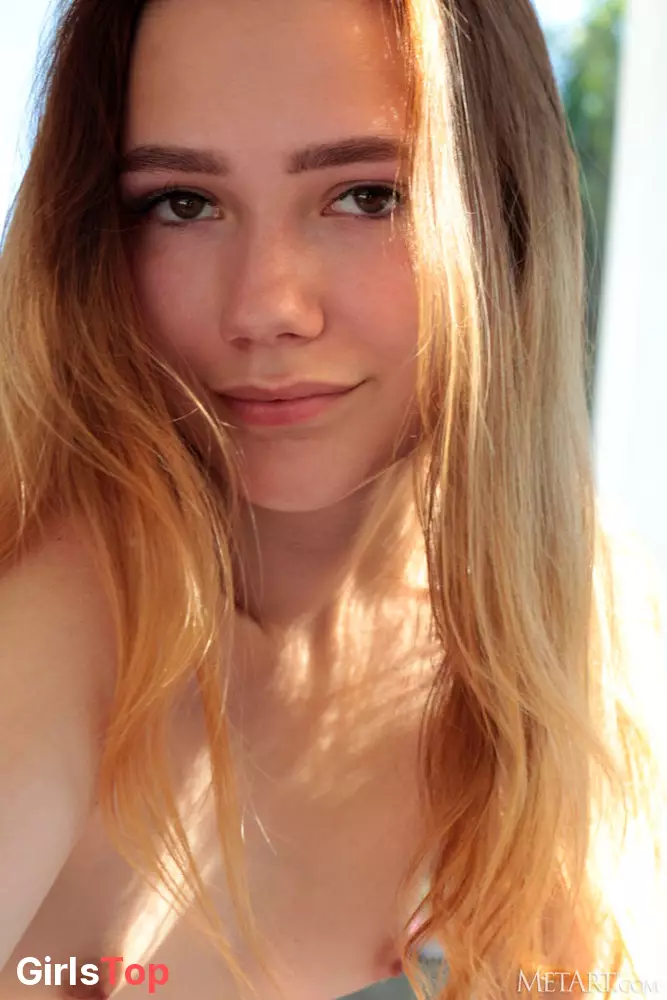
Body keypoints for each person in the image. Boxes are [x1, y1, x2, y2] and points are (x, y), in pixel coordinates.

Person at [0, 0, 665, 998]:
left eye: (364, 196)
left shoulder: (596, 632)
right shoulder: (51, 627)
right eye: (182, 203)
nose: (265, 305)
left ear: (506, 219)